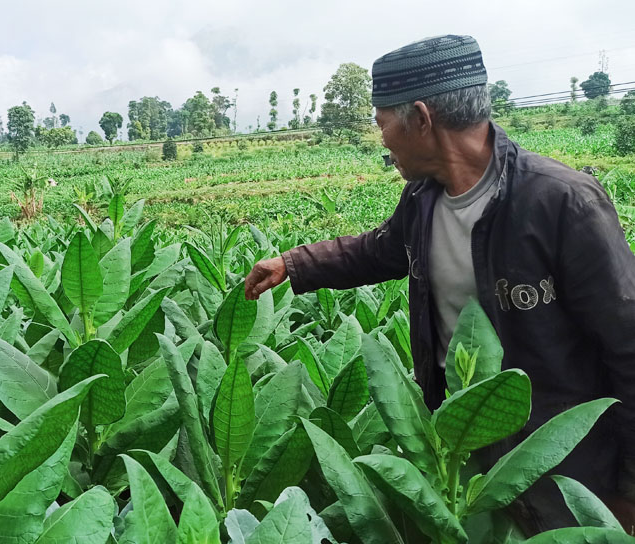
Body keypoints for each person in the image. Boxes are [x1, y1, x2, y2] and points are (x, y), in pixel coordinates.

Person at [244, 35, 635, 533]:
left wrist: (630, 488)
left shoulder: (560, 202)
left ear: (422, 119)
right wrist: (294, 265)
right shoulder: (424, 197)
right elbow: (382, 249)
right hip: (463, 438)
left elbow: (628, 344)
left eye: (382, 122)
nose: (381, 139)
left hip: (560, 460)